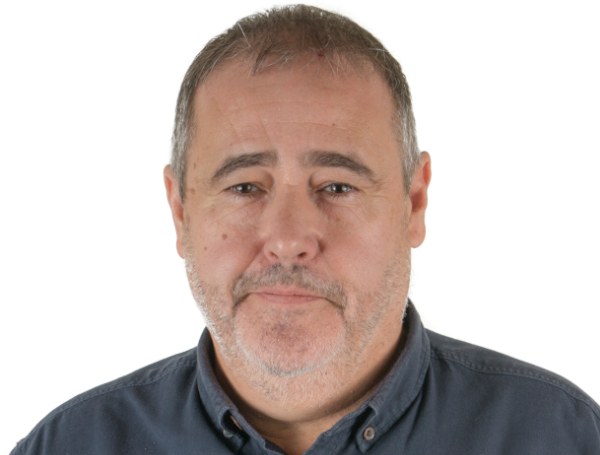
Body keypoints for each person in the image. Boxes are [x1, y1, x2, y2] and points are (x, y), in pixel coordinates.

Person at [11, 4, 600, 455]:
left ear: (414, 203)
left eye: (337, 187)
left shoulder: (562, 436)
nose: (289, 239)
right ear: (181, 212)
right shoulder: (68, 446)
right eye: (245, 187)